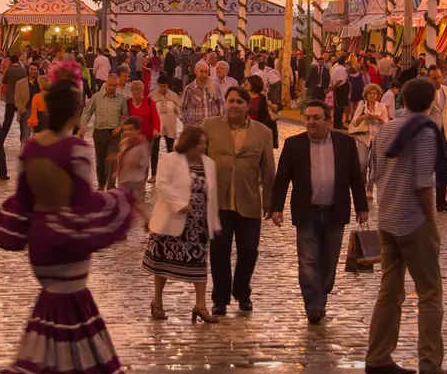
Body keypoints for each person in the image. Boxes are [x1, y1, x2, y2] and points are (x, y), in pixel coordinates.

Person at [0, 80, 143, 374]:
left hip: (41, 242)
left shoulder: (30, 146)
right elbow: (84, 200)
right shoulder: (76, 149)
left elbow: (23, 198)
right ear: (76, 112)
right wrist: (123, 201)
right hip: (67, 241)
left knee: (55, 315)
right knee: (70, 317)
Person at [364, 78, 446, 374]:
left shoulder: (387, 129)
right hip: (413, 219)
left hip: (388, 218)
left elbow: (373, 172)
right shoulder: (423, 132)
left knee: (389, 291)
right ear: (430, 102)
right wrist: (432, 221)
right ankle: (430, 361)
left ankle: (378, 354)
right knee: (430, 293)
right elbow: (424, 181)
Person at [270, 101, 368, 324]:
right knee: (307, 260)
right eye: (308, 118)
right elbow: (282, 177)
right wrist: (277, 207)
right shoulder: (294, 144)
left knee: (329, 259)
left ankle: (321, 293)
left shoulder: (345, 143)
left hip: (335, 211)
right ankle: (313, 304)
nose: (310, 122)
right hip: (307, 211)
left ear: (328, 120)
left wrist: (362, 207)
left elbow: (356, 177)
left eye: (316, 118)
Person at [202, 86, 277, 316]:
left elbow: (268, 169)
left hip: (249, 200)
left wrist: (269, 202)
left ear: (247, 106)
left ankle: (242, 292)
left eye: (239, 102)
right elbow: (200, 159)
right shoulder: (210, 126)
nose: (234, 105)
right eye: (231, 101)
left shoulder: (263, 132)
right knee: (219, 251)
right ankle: (220, 298)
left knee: (248, 251)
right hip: (218, 201)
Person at [145, 124, 219, 323]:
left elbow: (212, 195)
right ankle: (157, 301)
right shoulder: (170, 160)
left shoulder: (209, 164)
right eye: (199, 143)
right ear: (189, 143)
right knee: (162, 264)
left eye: (205, 143)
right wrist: (179, 204)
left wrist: (214, 222)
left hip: (198, 226)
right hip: (173, 220)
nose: (203, 147)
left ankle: (200, 305)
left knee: (199, 264)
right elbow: (162, 185)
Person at [83, 72, 130, 189]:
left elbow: (125, 115)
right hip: (99, 132)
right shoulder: (96, 97)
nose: (112, 88)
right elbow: (88, 112)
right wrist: (83, 125)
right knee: (100, 159)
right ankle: (101, 184)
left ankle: (111, 185)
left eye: (115, 86)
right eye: (110, 85)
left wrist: (121, 126)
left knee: (113, 159)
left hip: (114, 133)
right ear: (106, 83)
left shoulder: (121, 99)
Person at [426, 67, 447, 214]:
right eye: (434, 78)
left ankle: (441, 202)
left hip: (445, 135)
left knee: (442, 169)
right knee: (427, 169)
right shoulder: (425, 93)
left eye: (439, 77)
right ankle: (423, 202)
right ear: (429, 79)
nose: (438, 80)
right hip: (429, 135)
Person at [149, 79, 181, 179]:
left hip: (170, 127)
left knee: (170, 151)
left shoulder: (173, 96)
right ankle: (154, 174)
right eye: (161, 86)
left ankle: (171, 174)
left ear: (167, 85)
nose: (162, 88)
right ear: (158, 85)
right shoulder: (152, 95)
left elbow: (179, 112)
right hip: (156, 128)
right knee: (154, 150)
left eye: (164, 86)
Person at [181, 59, 224, 130]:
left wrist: (220, 122)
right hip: (196, 128)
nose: (204, 74)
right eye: (201, 71)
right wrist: (188, 124)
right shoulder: (189, 89)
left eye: (206, 72)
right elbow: (183, 108)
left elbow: (220, 104)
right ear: (196, 72)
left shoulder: (214, 86)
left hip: (212, 126)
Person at [115, 117, 150, 199]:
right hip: (124, 179)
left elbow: (145, 162)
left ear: (138, 130)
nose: (127, 132)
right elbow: (122, 158)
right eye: (125, 130)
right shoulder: (123, 143)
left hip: (136, 180)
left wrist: (136, 163)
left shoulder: (142, 145)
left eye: (131, 130)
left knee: (137, 205)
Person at [13, 62, 43, 144]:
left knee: (39, 136)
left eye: (35, 69)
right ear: (28, 70)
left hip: (40, 111)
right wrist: (22, 109)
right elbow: (17, 99)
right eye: (31, 69)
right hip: (27, 110)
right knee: (25, 135)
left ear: (38, 71)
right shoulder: (20, 83)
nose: (33, 71)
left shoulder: (42, 82)